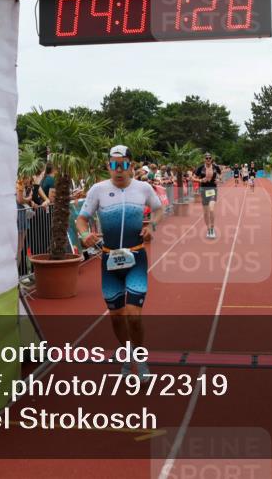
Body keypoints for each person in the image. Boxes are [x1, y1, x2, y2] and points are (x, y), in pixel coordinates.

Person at [76, 145, 163, 380]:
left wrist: (151, 226)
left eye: (124, 164)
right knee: (116, 316)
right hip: (109, 261)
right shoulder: (98, 190)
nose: (119, 170)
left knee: (133, 315)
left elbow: (158, 209)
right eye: (114, 165)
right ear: (108, 166)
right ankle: (127, 352)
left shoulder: (143, 188)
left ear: (131, 166)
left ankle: (141, 358)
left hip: (135, 258)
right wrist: (85, 236)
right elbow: (81, 220)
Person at [193, 152, 222, 239]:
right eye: (206, 158)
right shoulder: (200, 168)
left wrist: (218, 179)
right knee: (205, 213)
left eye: (209, 158)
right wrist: (201, 180)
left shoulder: (216, 167)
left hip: (213, 189)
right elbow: (193, 178)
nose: (208, 159)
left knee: (211, 209)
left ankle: (212, 229)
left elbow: (220, 174)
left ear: (211, 159)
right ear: (204, 159)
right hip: (203, 190)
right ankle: (208, 229)